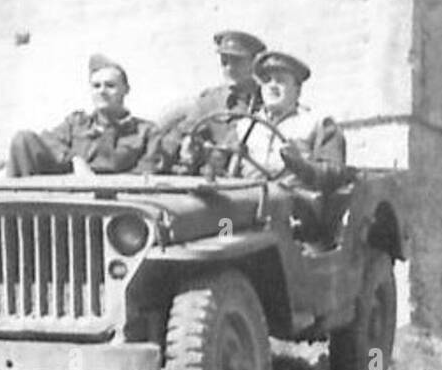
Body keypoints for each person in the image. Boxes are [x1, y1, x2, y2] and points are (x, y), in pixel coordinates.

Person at [237, 50, 348, 245]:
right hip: (247, 205)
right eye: (267, 80)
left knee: (285, 232)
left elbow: (336, 173)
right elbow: (226, 166)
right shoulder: (245, 126)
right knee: (221, 222)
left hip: (298, 211)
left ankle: (293, 269)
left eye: (280, 80)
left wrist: (301, 165)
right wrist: (212, 160)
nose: (272, 85)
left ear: (297, 89)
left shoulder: (318, 123)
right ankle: (224, 248)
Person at [8, 54, 157, 177]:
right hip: (70, 203)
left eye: (110, 85)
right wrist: (75, 159)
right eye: (96, 86)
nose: (102, 91)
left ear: (126, 89)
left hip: (118, 204)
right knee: (22, 139)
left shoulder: (146, 132)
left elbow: (148, 173)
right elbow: (48, 141)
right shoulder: (76, 124)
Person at [141, 29, 267, 172]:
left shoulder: (269, 102)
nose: (230, 68)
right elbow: (181, 133)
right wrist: (161, 157)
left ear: (255, 63)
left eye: (237, 62)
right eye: (224, 62)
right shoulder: (211, 101)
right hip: (215, 179)